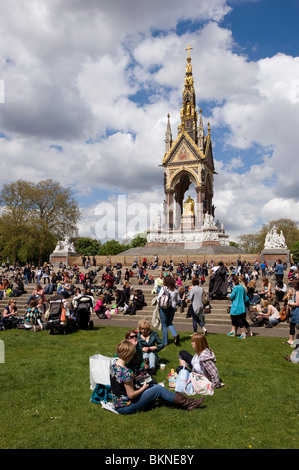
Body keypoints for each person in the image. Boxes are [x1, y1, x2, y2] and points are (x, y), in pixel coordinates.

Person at [110, 340, 205, 414]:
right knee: (157, 389)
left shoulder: (114, 365)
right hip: (126, 407)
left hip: (118, 403)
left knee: (153, 386)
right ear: (128, 354)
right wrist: (143, 388)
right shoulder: (126, 372)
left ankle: (185, 403)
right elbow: (131, 395)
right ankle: (189, 403)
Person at [157, 275, 180, 346]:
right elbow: (178, 300)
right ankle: (175, 334)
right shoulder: (175, 290)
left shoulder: (163, 288)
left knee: (164, 324)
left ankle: (165, 342)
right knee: (170, 323)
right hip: (172, 307)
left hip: (164, 308)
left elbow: (159, 298)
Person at [284, 279, 299, 346]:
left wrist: (290, 303)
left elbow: (297, 303)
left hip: (297, 311)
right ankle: (291, 340)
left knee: (292, 324)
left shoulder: (297, 292)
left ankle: (291, 340)